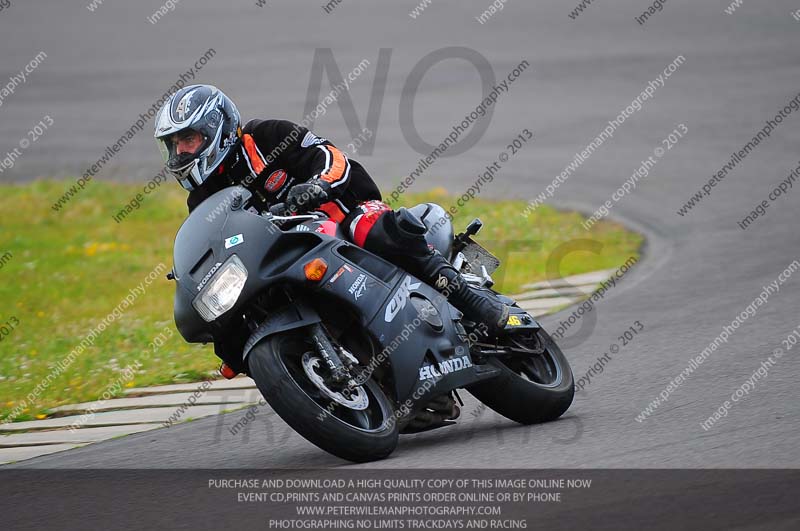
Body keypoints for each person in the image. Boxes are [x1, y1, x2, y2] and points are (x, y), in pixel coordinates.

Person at [154, 84, 509, 351]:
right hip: (289, 254)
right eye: (174, 144)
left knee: (365, 226)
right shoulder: (202, 198)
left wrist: (317, 185)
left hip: (341, 216)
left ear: (218, 127)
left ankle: (467, 297)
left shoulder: (265, 136)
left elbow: (331, 157)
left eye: (188, 139)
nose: (181, 151)